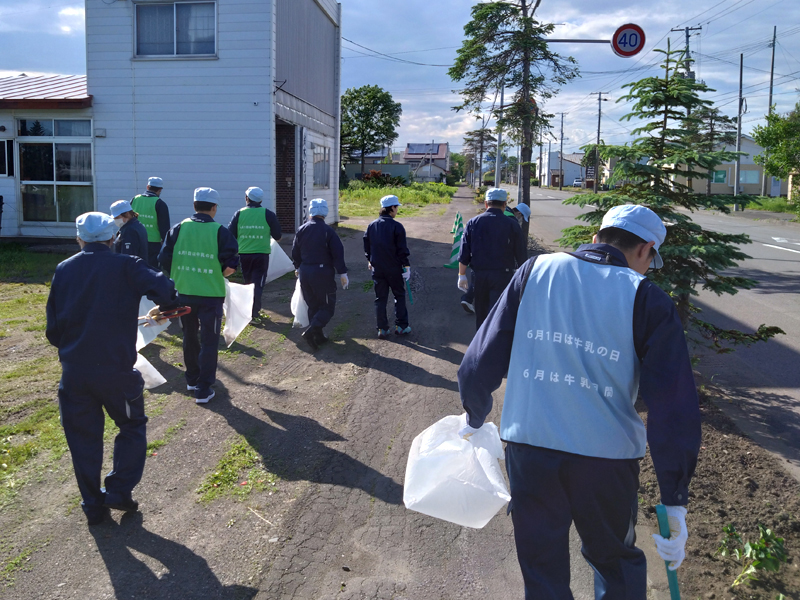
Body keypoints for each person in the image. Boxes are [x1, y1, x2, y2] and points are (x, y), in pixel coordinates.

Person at [457, 204, 702, 599]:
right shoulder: (648, 298)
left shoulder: (535, 271)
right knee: (615, 564)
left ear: (596, 238)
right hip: (606, 462)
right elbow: (672, 406)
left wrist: (474, 415)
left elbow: (480, 359)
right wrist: (674, 499)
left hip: (531, 450)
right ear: (646, 250)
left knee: (542, 571)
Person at [46, 212, 177, 526]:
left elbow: (53, 329)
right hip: (116, 370)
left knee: (83, 439)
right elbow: (166, 290)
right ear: (113, 238)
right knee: (131, 427)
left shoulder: (64, 270)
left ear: (79, 239)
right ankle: (118, 490)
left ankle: (93, 505)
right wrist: (166, 308)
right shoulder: (127, 265)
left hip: (75, 373)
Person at [159, 188, 239, 404]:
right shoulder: (220, 232)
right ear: (214, 208)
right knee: (209, 341)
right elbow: (231, 266)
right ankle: (203, 389)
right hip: (210, 295)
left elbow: (163, 259)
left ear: (194, 205)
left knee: (189, 337)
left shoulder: (178, 228)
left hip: (183, 293)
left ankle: (192, 380)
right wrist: (217, 273)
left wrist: (179, 275)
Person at [457, 187, 527, 329]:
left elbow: (464, 252)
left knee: (481, 313)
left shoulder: (473, 222)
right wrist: (522, 279)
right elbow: (521, 255)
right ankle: (494, 346)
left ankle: (480, 346)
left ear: (486, 204)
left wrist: (462, 275)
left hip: (479, 275)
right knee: (498, 313)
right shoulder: (512, 224)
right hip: (503, 275)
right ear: (504, 204)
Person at [291, 198, 348, 351]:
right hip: (322, 272)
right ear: (325, 212)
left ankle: (318, 336)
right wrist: (342, 272)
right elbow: (337, 253)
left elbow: (295, 251)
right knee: (327, 306)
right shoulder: (328, 231)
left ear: (310, 211)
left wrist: (297, 267)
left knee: (313, 305)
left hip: (305, 272)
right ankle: (311, 332)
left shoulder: (301, 229)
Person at [227, 186, 282, 319]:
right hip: (261, 255)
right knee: (258, 284)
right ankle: (254, 313)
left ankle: (250, 311)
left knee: (248, 283)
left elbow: (230, 234)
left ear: (247, 198)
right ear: (261, 200)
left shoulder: (239, 213)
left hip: (244, 255)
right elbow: (278, 236)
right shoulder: (268, 214)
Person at [363, 194, 411, 339]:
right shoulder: (397, 226)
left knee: (380, 298)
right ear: (392, 208)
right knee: (399, 295)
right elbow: (402, 249)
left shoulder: (372, 225)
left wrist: (370, 259)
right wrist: (406, 266)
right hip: (394, 268)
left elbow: (367, 245)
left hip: (377, 268)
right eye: (396, 207)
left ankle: (382, 329)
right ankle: (401, 326)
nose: (397, 210)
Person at [130, 177, 170, 269]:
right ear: (160, 190)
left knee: (135, 268)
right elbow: (164, 228)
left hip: (135, 240)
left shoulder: (135, 199)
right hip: (153, 244)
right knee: (151, 270)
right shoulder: (160, 204)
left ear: (147, 187)